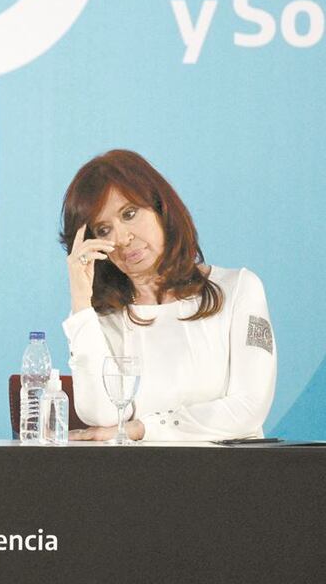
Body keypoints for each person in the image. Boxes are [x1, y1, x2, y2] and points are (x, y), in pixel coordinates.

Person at [60, 149, 275, 441]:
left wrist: (143, 429)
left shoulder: (239, 289)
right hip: (140, 479)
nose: (122, 239)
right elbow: (102, 415)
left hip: (231, 477)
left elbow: (249, 408)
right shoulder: (106, 317)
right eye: (104, 229)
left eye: (129, 214)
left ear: (161, 208)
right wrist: (82, 306)